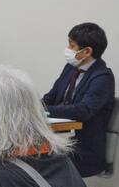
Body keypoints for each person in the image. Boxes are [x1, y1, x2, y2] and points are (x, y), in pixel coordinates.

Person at [42, 23, 115, 177]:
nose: (67, 48)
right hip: (61, 141)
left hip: (84, 152)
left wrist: (43, 110)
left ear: (87, 51)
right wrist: (31, 106)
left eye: (71, 45)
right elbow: (51, 98)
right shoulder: (70, 68)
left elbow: (83, 111)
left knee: (36, 163)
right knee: (21, 157)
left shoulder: (103, 77)